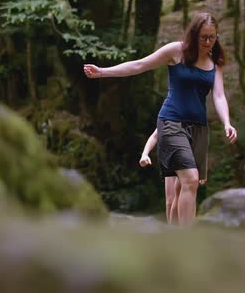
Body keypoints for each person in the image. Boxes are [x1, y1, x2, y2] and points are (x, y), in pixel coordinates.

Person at [84, 12, 237, 226]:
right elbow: (139, 65)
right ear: (193, 35)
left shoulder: (214, 62)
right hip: (171, 122)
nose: (208, 42)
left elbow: (219, 95)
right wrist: (102, 72)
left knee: (181, 189)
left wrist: (227, 122)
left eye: (213, 37)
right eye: (204, 37)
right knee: (190, 181)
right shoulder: (176, 51)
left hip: (198, 129)